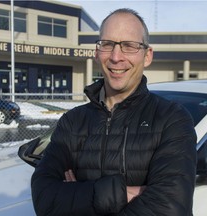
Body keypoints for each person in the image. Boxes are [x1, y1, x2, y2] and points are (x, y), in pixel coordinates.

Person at [31, 8, 197, 216]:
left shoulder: (172, 119)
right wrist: (122, 194)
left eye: (129, 46)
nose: (116, 57)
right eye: (108, 45)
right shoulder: (73, 121)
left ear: (147, 56)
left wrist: (76, 197)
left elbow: (170, 209)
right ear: (96, 52)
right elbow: (44, 199)